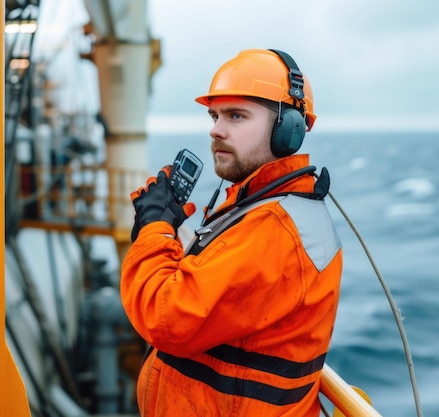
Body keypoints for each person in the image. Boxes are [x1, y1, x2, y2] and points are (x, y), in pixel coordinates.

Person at [120, 48, 343, 417]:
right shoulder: (256, 206)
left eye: (236, 116)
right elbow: (213, 288)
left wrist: (154, 230)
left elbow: (166, 317)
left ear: (287, 131)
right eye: (214, 115)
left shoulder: (274, 229)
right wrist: (169, 229)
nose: (216, 129)